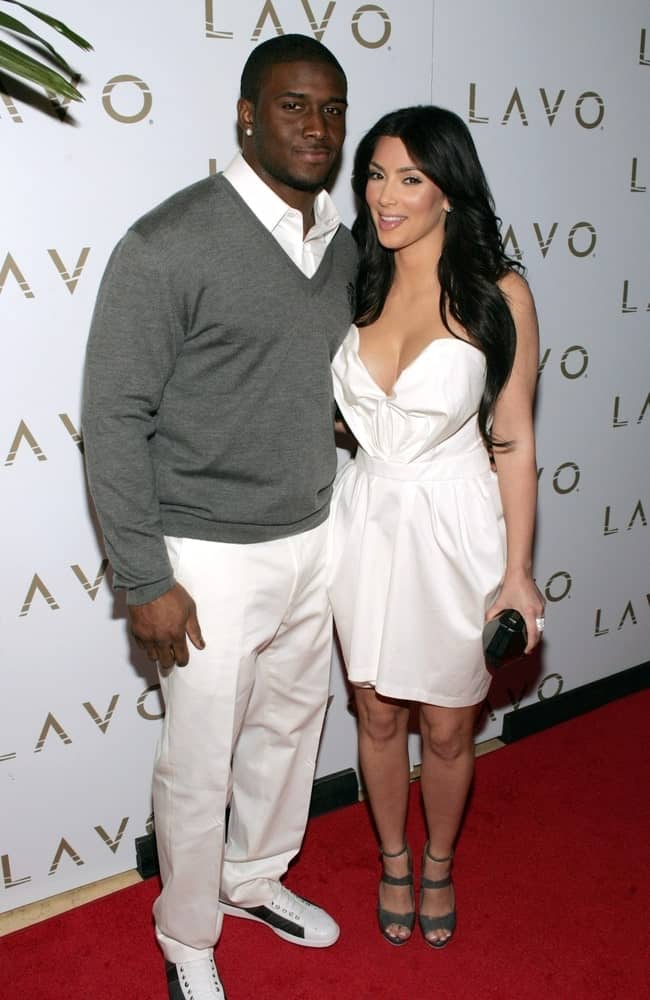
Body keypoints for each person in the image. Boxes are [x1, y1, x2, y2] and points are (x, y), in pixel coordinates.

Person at [82, 34, 356, 1000]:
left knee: (289, 731)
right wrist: (144, 577)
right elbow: (114, 417)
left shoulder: (343, 245)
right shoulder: (169, 242)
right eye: (292, 106)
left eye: (331, 109)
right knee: (198, 762)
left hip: (315, 537)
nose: (316, 127)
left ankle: (254, 877)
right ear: (246, 115)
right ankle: (187, 935)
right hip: (204, 553)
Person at [327, 105, 545, 949]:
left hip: (457, 528)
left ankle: (441, 864)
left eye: (410, 178)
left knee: (450, 723)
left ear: (449, 190)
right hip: (366, 518)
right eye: (376, 175)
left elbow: (515, 437)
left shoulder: (502, 294)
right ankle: (391, 859)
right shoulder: (357, 278)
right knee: (376, 713)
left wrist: (518, 573)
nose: (387, 196)